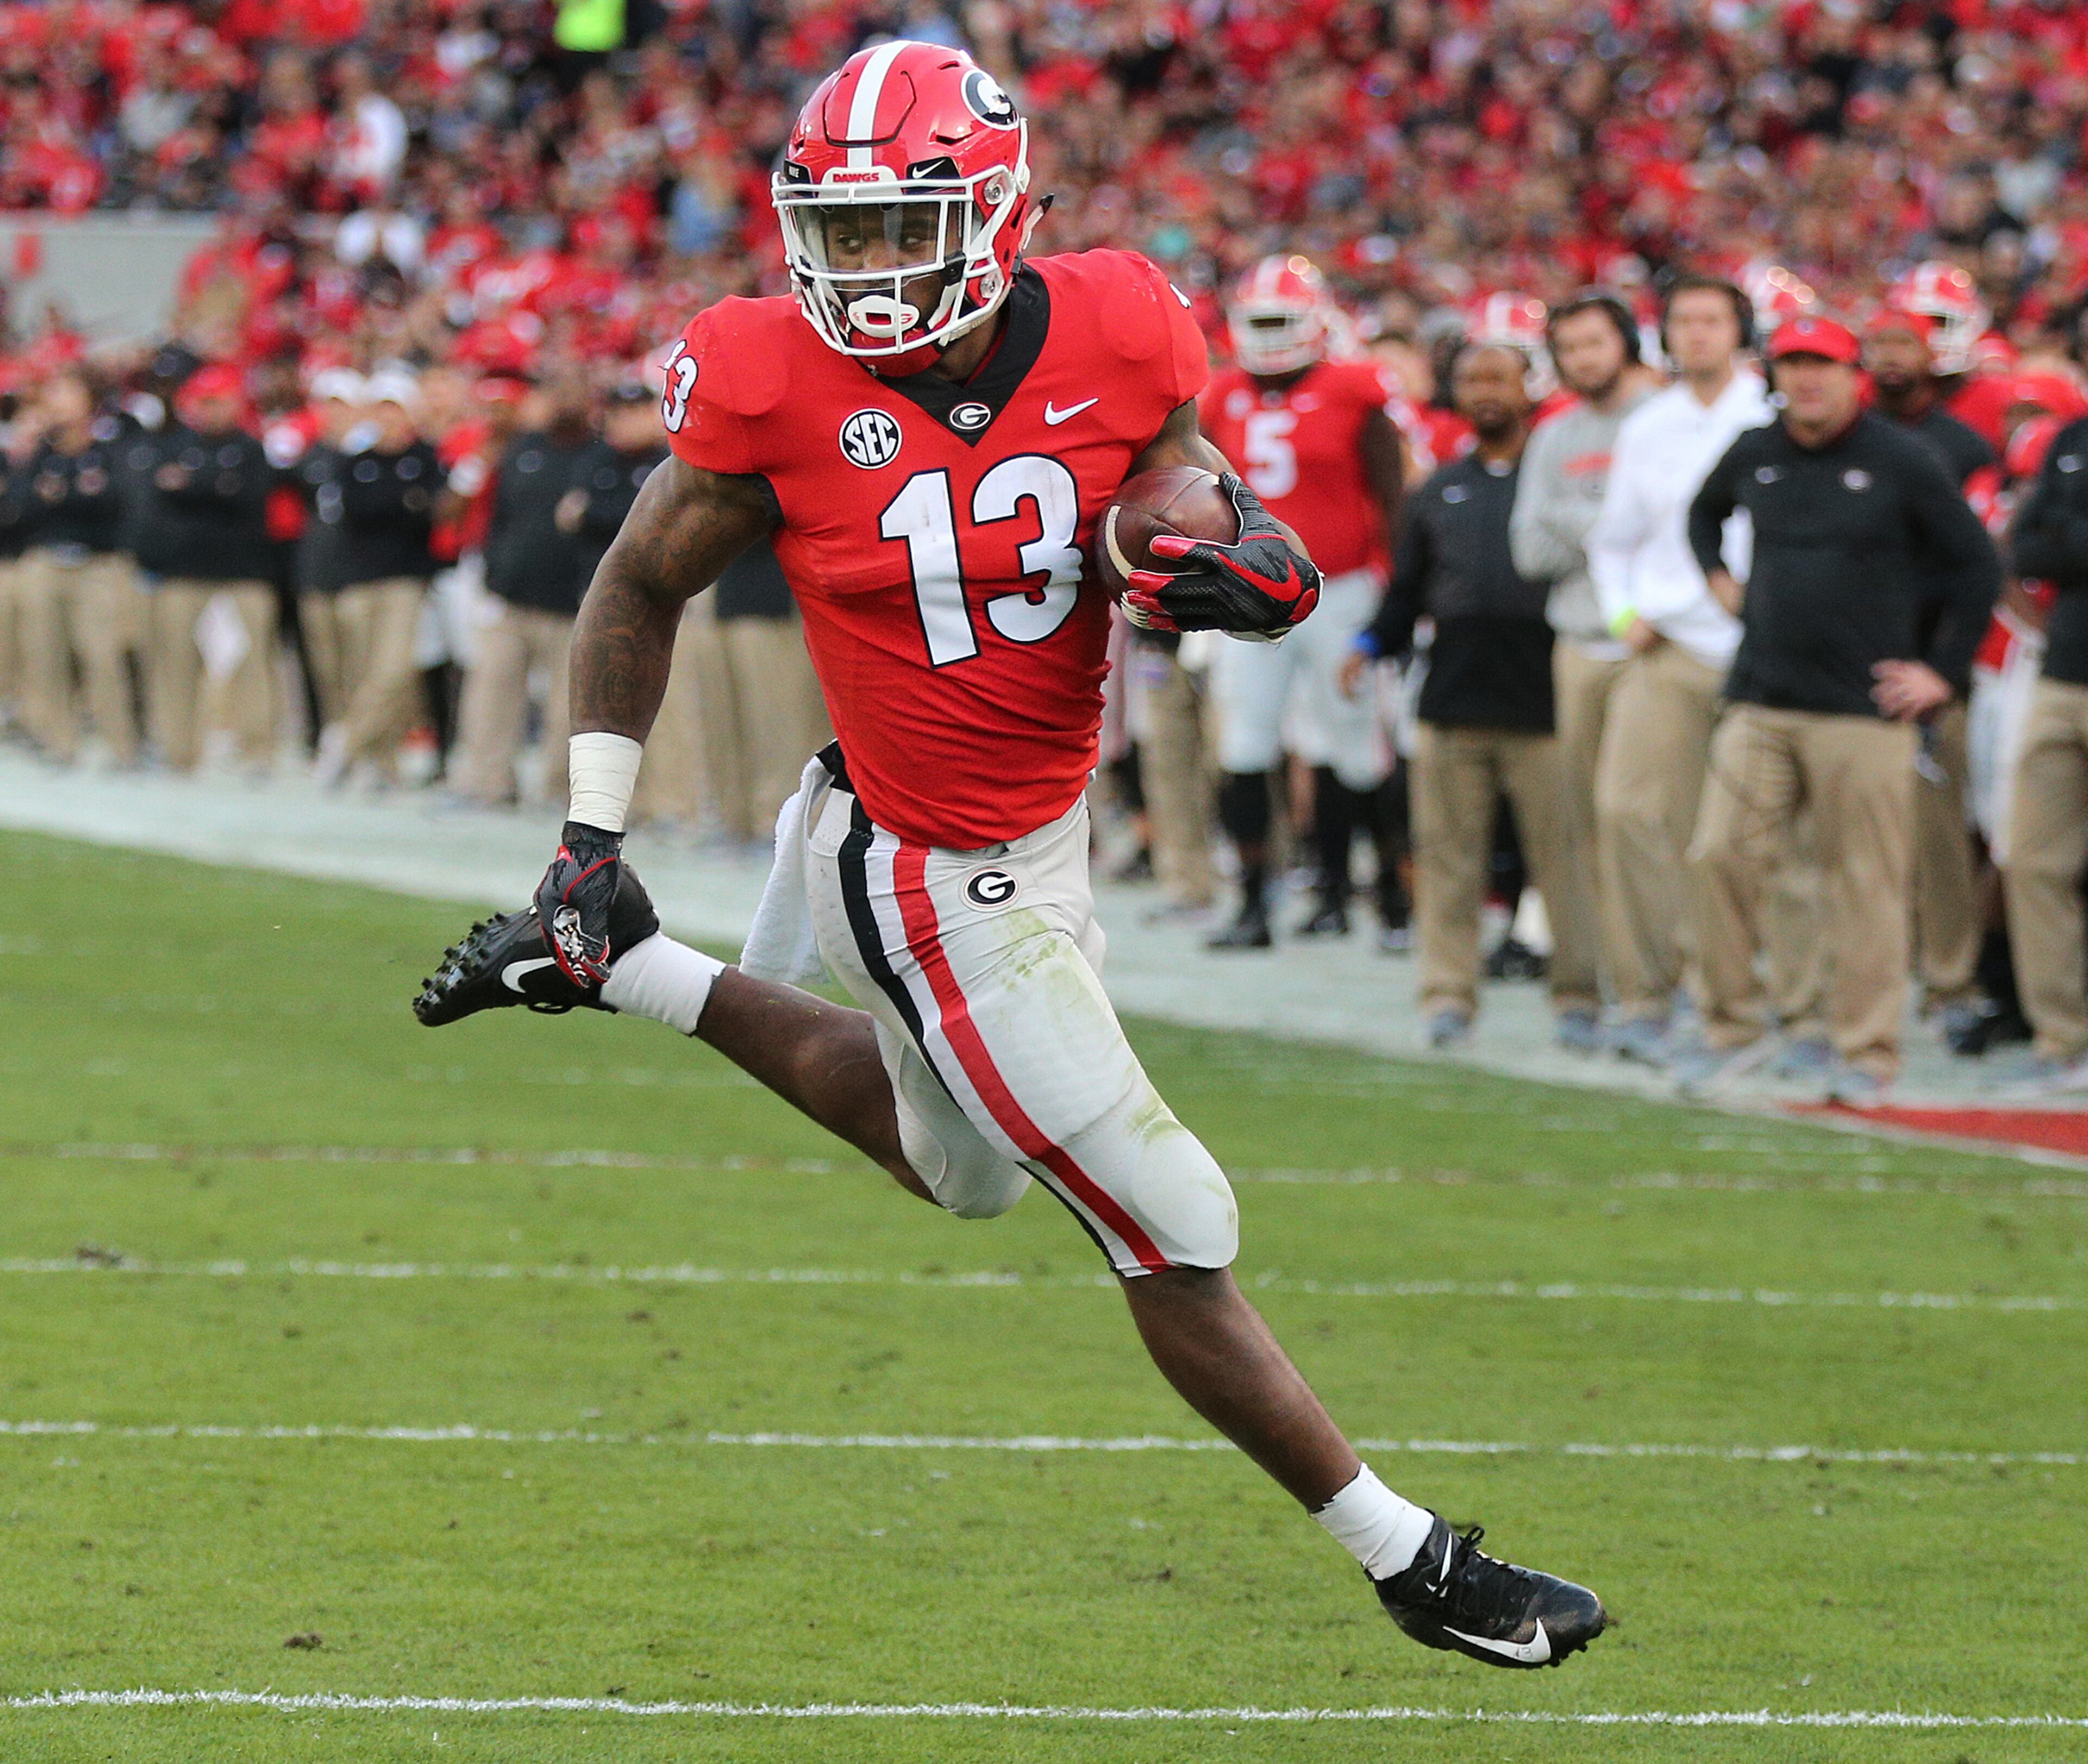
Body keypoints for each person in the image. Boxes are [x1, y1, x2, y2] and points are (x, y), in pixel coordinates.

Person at [413, 41, 1604, 1668]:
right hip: (917, 859)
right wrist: (586, 829)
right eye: (833, 233)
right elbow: (634, 582)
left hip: (1028, 839)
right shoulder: (764, 374)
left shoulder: (1117, 317)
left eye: (898, 229)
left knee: (958, 1171)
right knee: (1167, 1210)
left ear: (993, 213)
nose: (862, 269)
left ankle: (621, 964)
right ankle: (1411, 1557)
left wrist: (1227, 553)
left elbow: (1173, 481)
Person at [1680, 316, 2002, 1103]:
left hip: (1864, 710)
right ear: (1776, 374)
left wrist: (1941, 673)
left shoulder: (1901, 459)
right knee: (1716, 854)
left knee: (1866, 883)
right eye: (1793, 364)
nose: (1807, 379)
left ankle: (1865, 1048)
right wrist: (1719, 579)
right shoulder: (1757, 450)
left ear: (1852, 373)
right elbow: (1701, 513)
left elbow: (1976, 565)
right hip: (1760, 696)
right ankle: (1737, 1028)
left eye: (1821, 363)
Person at [1348, 339, 1602, 1051]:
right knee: (1449, 861)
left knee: (1565, 861)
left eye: (1499, 376)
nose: (1485, 389)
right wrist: (1367, 645)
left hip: (1545, 698)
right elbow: (1406, 594)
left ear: (1531, 388)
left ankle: (1578, 994)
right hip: (1453, 697)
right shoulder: (1436, 490)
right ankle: (1448, 994)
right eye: (1471, 378)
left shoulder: (1558, 483)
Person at [1584, 276, 1772, 1062]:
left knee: (1738, 838)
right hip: (1669, 643)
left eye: (1712, 320)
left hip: (1761, 649)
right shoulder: (1651, 425)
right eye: (1684, 321)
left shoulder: (1771, 419)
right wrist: (1624, 614)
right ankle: (1645, 992)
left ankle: (1747, 993)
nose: (1697, 334)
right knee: (1627, 811)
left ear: (1740, 331)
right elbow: (1612, 537)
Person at [1199, 254, 1406, 949]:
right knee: (1247, 742)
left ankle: (1367, 896)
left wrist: (1397, 592)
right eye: (1257, 321)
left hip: (1343, 588)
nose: (1267, 335)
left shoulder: (1355, 388)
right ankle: (1256, 905)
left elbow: (1392, 497)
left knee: (1354, 744)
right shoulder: (1220, 396)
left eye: (1279, 320)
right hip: (1246, 596)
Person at [1508, 289, 1655, 1037]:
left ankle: (1656, 988)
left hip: (1655, 648)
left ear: (1627, 342)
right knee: (1586, 825)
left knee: (1647, 822)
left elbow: (1671, 539)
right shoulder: (1555, 433)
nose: (1582, 360)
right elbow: (1529, 549)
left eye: (1595, 343)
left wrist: (1582, 522)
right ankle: (1594, 985)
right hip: (1577, 643)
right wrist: (1616, 529)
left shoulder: (1664, 422)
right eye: (1569, 348)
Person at [1864, 306, 2002, 1047]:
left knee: (1940, 839)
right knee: (1849, 839)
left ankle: (1949, 980)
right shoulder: (1846, 435)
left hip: (1932, 666)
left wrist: (1947, 667)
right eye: (1879, 342)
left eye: (1902, 344)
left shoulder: (1963, 447)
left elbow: (1979, 571)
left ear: (1933, 353)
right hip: (1851, 663)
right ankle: (1858, 977)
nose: (1888, 357)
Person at [451, 373, 598, 806]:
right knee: (490, 695)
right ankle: (486, 782)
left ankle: (560, 791)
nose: (566, 401)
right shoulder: (524, 448)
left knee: (565, 708)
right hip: (510, 596)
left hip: (571, 602)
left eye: (575, 391)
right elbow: (501, 516)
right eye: (559, 391)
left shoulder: (599, 455)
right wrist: (493, 571)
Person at [132, 363, 281, 775]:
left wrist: (195, 486)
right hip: (183, 572)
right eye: (205, 402)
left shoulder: (251, 449)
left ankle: (259, 750)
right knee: (175, 663)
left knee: (254, 663)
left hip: (245, 572)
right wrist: (215, 487)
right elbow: (162, 495)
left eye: (220, 401)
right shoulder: (177, 445)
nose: (212, 410)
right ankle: (178, 750)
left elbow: (248, 498)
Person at [2000, 412, 2088, 1089]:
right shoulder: (2072, 438)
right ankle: (2062, 1038)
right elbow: (2026, 549)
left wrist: (2070, 536)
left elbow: (2056, 542)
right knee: (2033, 858)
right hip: (2062, 673)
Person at [306, 370, 442, 787]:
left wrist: (398, 507)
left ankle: (344, 745)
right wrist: (402, 505)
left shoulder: (425, 458)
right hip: (359, 577)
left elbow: (429, 513)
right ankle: (380, 763)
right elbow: (358, 513)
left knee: (393, 670)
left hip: (405, 579)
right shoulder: (358, 460)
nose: (389, 420)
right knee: (362, 672)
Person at [16, 368, 142, 766]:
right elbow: (20, 507)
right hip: (47, 562)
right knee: (45, 654)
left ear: (88, 400)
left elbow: (117, 506)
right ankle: (59, 743)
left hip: (96, 564)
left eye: (64, 391)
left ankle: (121, 746)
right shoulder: (41, 452)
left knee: (102, 656)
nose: (55, 401)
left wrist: (62, 499)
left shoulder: (110, 446)